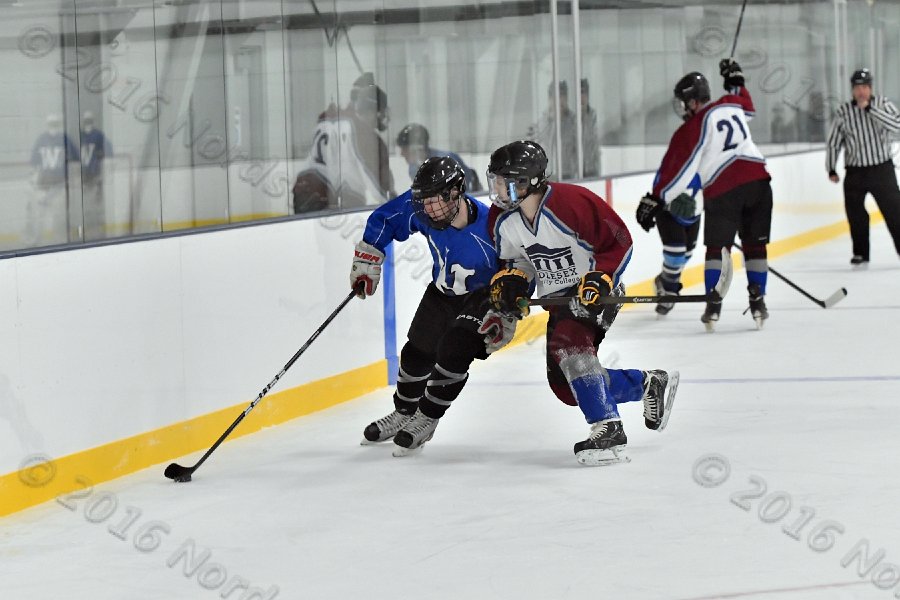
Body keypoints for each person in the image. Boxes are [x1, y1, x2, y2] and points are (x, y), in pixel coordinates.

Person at [482, 140, 679, 467]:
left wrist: (601, 276)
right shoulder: (501, 219)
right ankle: (647, 383)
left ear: (528, 181)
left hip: (596, 291)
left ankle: (609, 427)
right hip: (558, 300)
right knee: (564, 386)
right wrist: (513, 280)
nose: (498, 189)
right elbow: (517, 261)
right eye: (496, 180)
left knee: (569, 343)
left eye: (505, 181)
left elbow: (619, 242)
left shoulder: (572, 202)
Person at [352, 156, 513, 455]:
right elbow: (385, 219)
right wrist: (368, 257)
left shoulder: (492, 228)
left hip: (481, 299)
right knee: (414, 354)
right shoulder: (423, 210)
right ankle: (403, 413)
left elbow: (516, 268)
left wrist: (506, 312)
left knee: (453, 353)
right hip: (442, 292)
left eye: (436, 200)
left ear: (457, 193)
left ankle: (426, 418)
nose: (428, 209)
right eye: (424, 201)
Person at [636, 61, 773, 331]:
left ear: (690, 101)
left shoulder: (694, 125)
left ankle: (713, 305)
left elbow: (679, 167)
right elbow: (749, 109)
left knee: (717, 250)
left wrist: (657, 197)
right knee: (755, 247)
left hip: (725, 191)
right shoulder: (732, 104)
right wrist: (737, 83)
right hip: (760, 183)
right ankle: (758, 301)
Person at [826, 68, 900, 267]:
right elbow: (834, 141)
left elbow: (897, 126)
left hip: (882, 169)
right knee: (855, 214)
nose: (862, 92)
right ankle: (860, 253)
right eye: (858, 88)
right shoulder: (844, 111)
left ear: (871, 88)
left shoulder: (882, 104)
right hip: (855, 171)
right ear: (852, 90)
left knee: (894, 212)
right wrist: (831, 167)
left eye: (865, 87)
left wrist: (871, 110)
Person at [293, 82, 394, 213]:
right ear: (374, 111)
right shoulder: (362, 132)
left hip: (304, 188)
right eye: (381, 111)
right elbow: (377, 179)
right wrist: (394, 203)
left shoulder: (330, 120)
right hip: (335, 195)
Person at [28, 113, 80, 247]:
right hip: (44, 183)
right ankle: (38, 240)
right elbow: (34, 163)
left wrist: (72, 178)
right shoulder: (41, 139)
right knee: (40, 214)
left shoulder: (65, 139)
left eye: (55, 124)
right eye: (51, 124)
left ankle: (60, 242)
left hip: (60, 184)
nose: (53, 127)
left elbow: (75, 160)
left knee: (59, 214)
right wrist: (33, 180)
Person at [395, 123, 482, 192]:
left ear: (418, 148)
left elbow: (466, 190)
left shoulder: (446, 160)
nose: (402, 154)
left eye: (405, 149)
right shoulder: (413, 168)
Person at [530, 81, 578, 179]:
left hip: (568, 175)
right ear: (550, 99)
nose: (559, 101)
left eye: (562, 96)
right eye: (555, 97)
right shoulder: (541, 123)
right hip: (547, 175)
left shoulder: (574, 122)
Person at [79, 111, 114, 240]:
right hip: (84, 176)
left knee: (97, 204)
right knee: (86, 205)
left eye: (89, 121)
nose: (87, 123)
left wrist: (101, 157)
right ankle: (89, 229)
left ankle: (98, 229)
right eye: (85, 121)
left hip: (95, 175)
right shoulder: (81, 136)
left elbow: (109, 150)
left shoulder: (98, 135)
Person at [579, 79, 601, 178]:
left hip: (592, 168)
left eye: (584, 92)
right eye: (579, 92)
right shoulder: (572, 118)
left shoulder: (593, 115)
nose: (582, 97)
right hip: (577, 169)